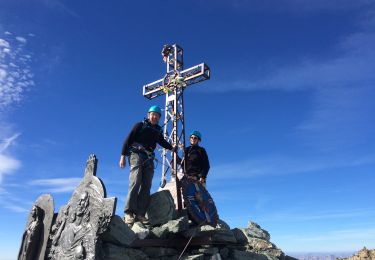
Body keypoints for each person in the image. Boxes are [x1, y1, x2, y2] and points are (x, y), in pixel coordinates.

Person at [119, 105, 175, 225]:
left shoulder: (158, 131)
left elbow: (162, 142)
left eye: (157, 115)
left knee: (146, 185)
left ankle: (140, 214)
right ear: (148, 114)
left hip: (149, 158)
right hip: (136, 154)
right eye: (153, 114)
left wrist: (172, 148)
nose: (154, 117)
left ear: (159, 117)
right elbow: (128, 139)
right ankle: (129, 212)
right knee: (135, 181)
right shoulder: (140, 125)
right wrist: (123, 155)